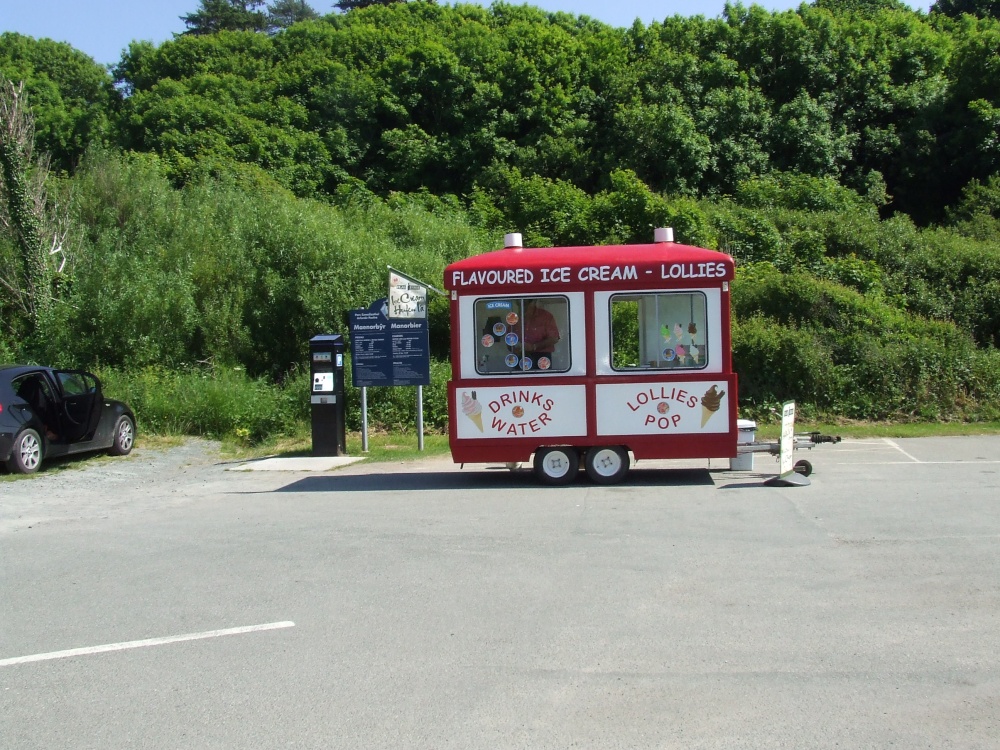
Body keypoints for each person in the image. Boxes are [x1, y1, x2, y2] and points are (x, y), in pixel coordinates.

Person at [520, 298, 560, 369]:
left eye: (525, 303)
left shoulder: (545, 316)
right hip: (519, 357)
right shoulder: (513, 317)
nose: (522, 306)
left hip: (541, 357)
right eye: (519, 303)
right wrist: (513, 347)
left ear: (533, 302)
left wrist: (534, 346)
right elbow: (509, 339)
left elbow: (554, 338)